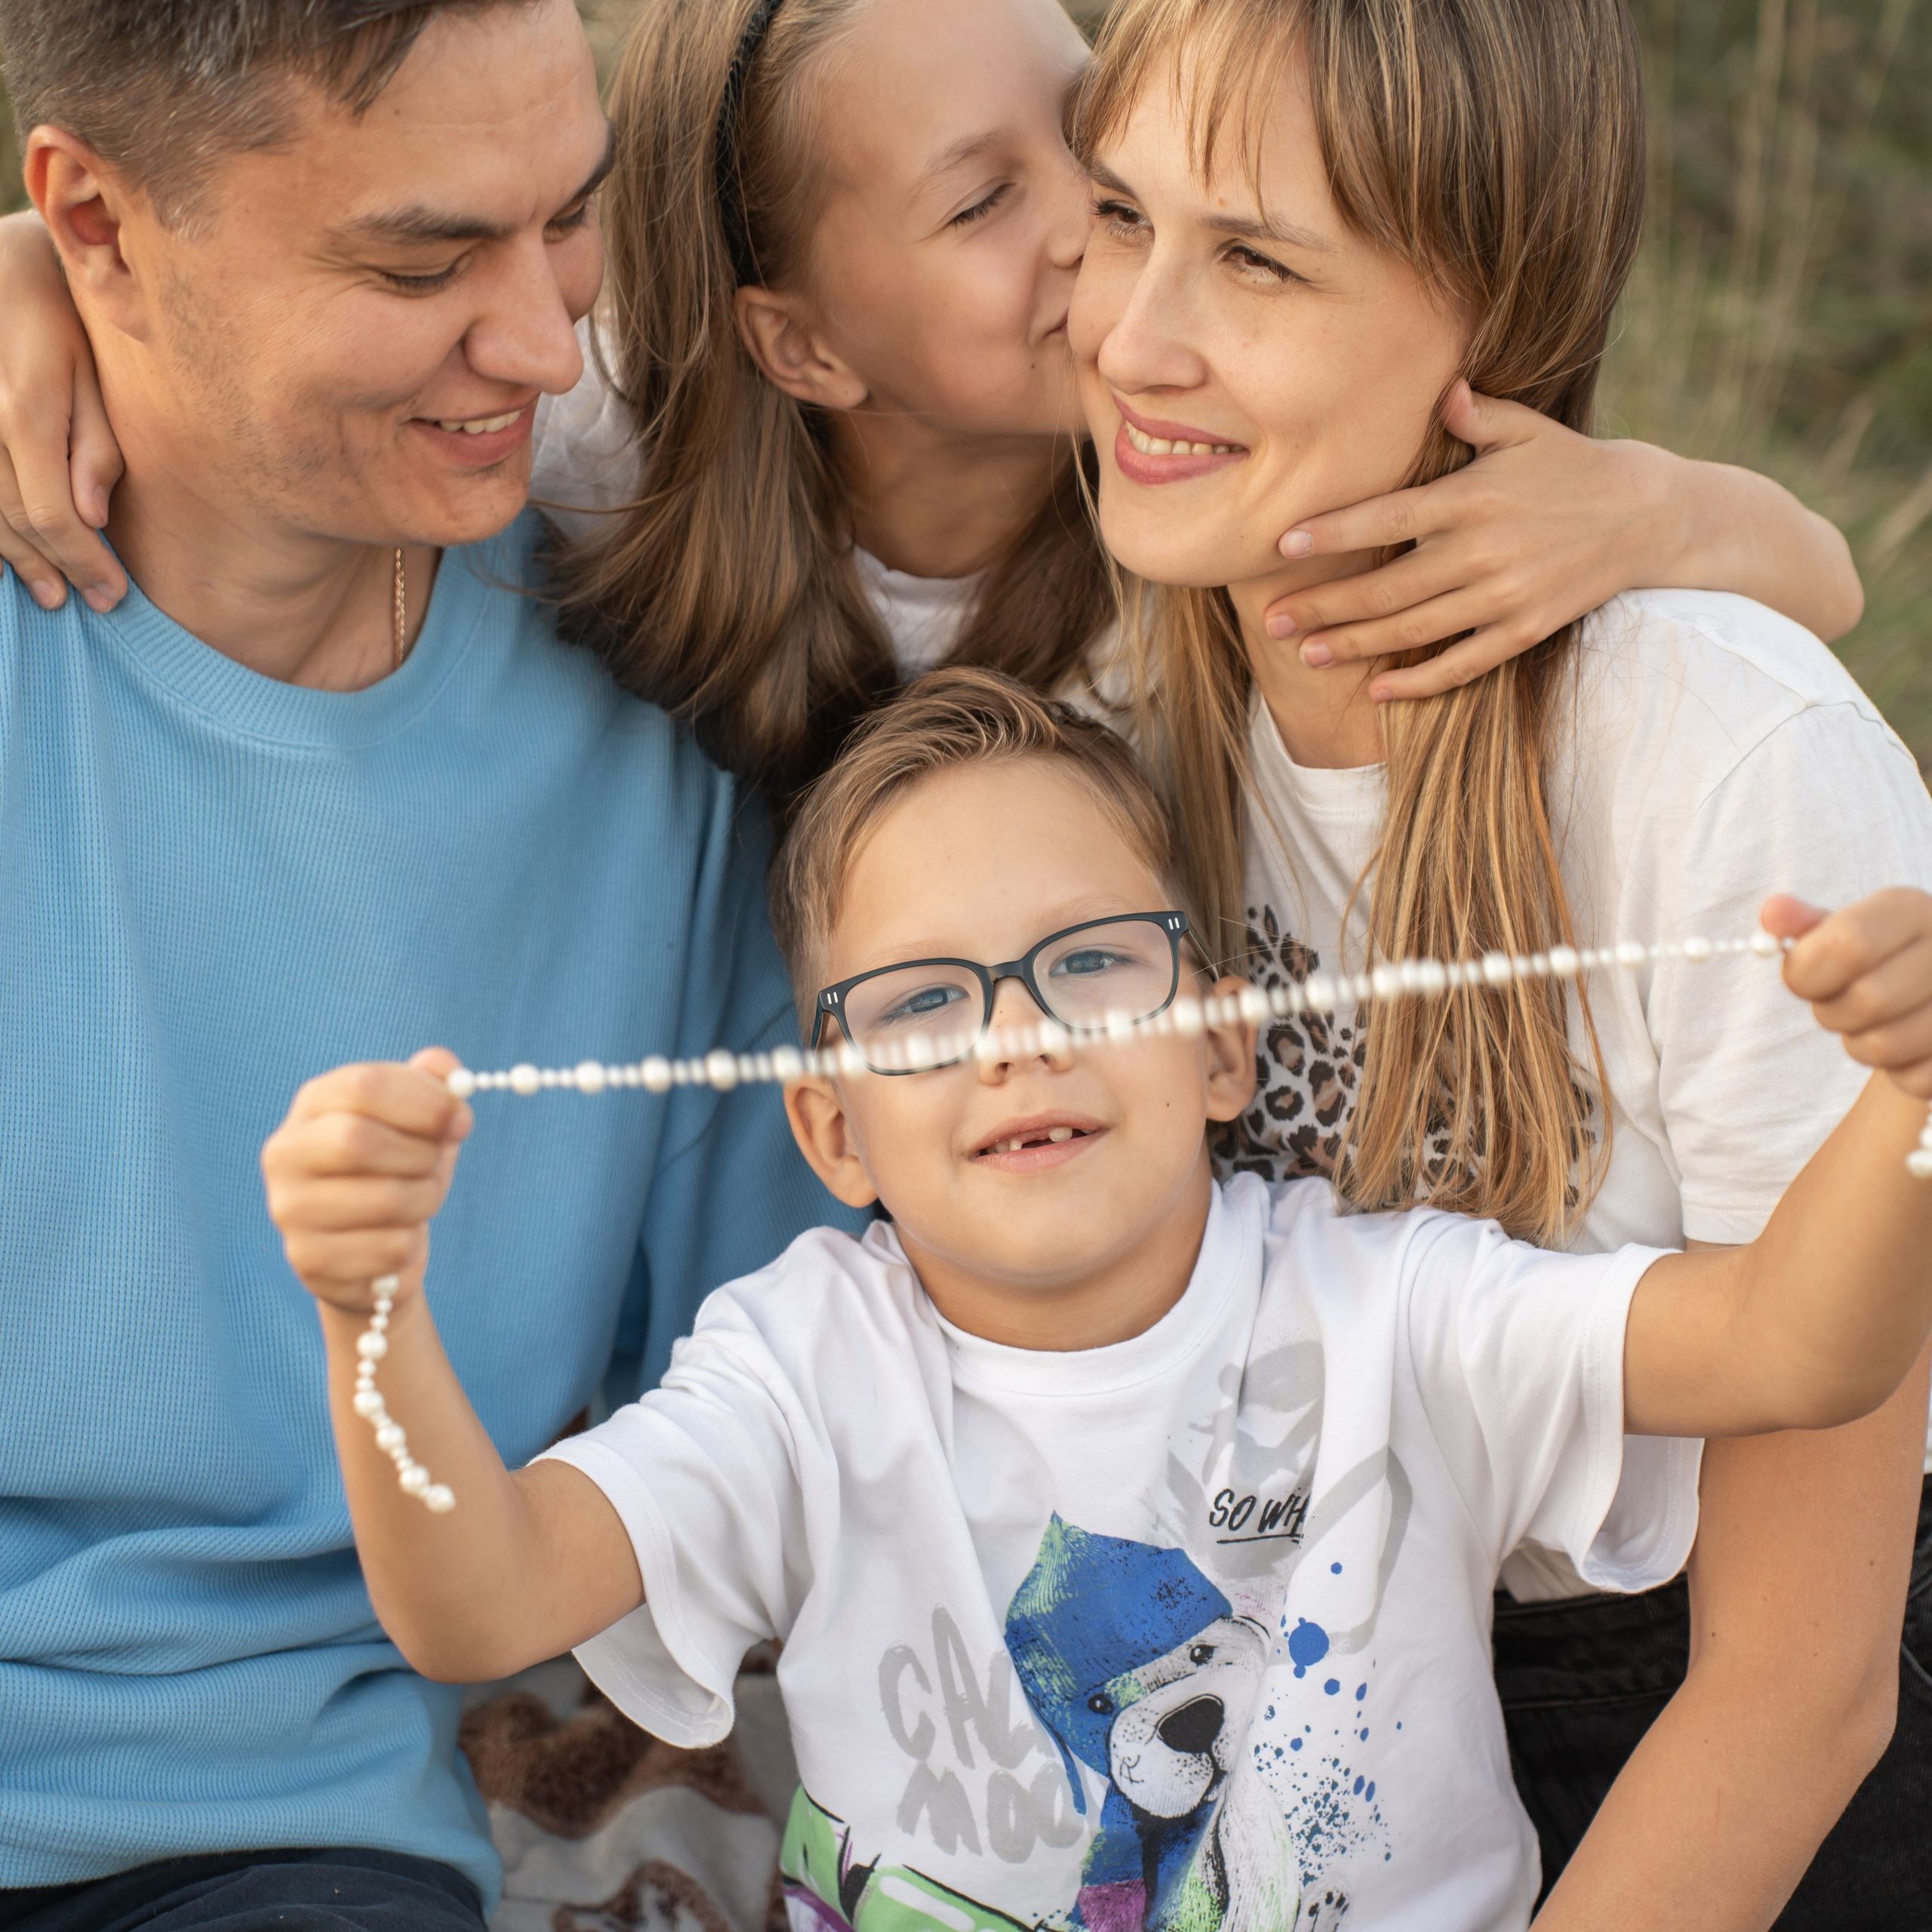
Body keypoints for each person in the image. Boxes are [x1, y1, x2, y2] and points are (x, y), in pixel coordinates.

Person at [259, 668, 1932, 1932]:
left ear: (1222, 1046)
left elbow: (1795, 1346)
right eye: (922, 1002)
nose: (1017, 1036)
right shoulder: (801, 1371)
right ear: (832, 1130)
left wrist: (1901, 1110)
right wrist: (368, 1314)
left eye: (1086, 960)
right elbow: (478, 1607)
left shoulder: (1394, 1310)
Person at [1068, 0, 1932, 1924]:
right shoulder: (1108, 722)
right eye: (1118, 217)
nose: (1130, 336)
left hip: (1730, 1693)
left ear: (1489, 313)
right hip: (1336, 1676)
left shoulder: (1717, 752)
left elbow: (1802, 1687)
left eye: (1256, 260)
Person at [0, 2, 856, 1927]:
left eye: (568, 219)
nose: (545, 343)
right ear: (98, 226)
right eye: (421, 262)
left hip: (264, 1841)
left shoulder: (658, 699)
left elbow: (790, 1378)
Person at [0, 0, 1868, 798]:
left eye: (1096, 149)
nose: (1098, 243)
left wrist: (1658, 506)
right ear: (801, 347)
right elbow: (262, 315)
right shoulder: (588, 438)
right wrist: (47, 277)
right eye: (982, 206)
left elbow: (1816, 587)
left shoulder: (1205, 482)